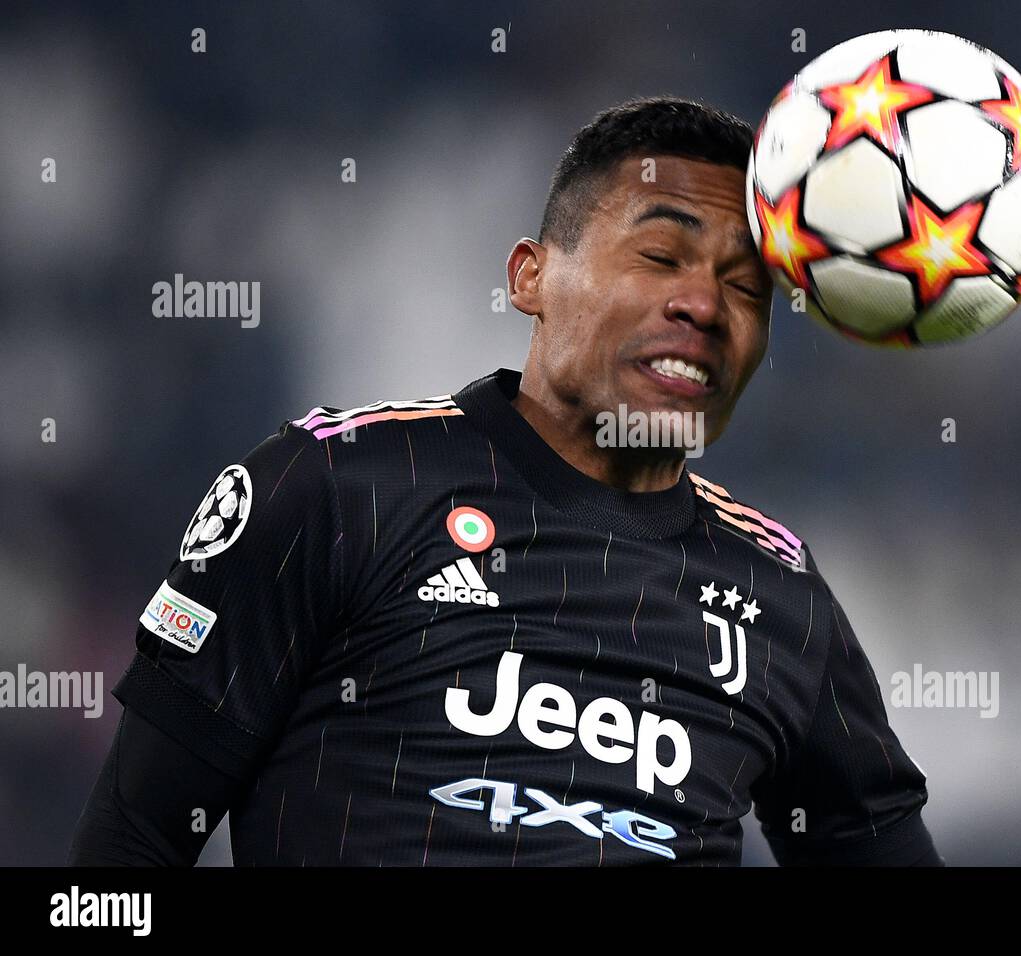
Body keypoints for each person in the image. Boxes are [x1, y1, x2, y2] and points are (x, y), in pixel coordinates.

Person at [68, 96, 943, 866]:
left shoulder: (781, 597)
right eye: (660, 258)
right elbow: (128, 850)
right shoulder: (338, 490)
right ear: (531, 277)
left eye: (747, 288)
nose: (705, 307)